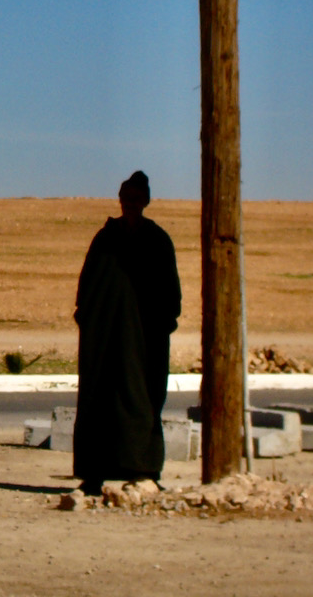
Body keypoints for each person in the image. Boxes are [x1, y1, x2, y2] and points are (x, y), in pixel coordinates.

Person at [72, 170, 181, 494]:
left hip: (143, 343)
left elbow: (169, 295)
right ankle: (94, 474)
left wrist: (159, 325)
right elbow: (88, 288)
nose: (131, 205)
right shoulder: (105, 240)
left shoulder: (157, 241)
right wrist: (92, 323)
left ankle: (143, 470)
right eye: (126, 199)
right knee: (98, 400)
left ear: (146, 201)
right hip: (105, 340)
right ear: (120, 201)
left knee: (143, 399)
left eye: (136, 199)